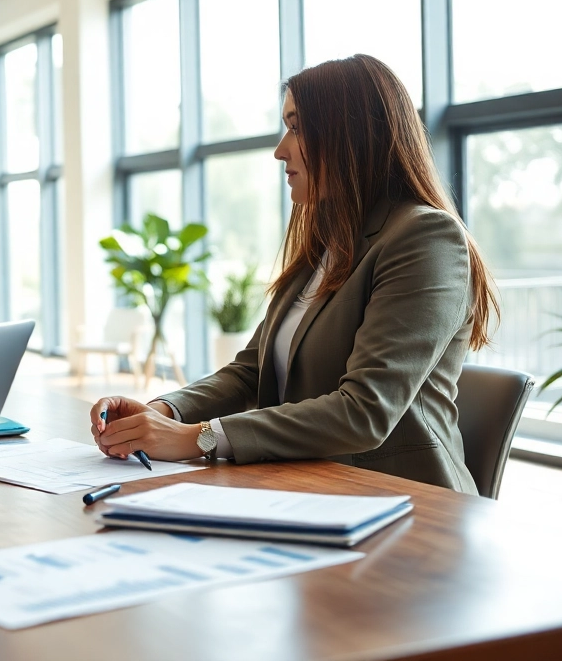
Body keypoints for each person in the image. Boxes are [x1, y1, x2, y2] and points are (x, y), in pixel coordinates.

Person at [90, 54, 497, 493]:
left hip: (405, 504)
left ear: (350, 135)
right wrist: (163, 413)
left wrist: (198, 438)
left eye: (297, 127)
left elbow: (365, 411)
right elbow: (250, 371)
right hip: (309, 487)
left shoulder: (425, 237)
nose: (280, 149)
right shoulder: (328, 243)